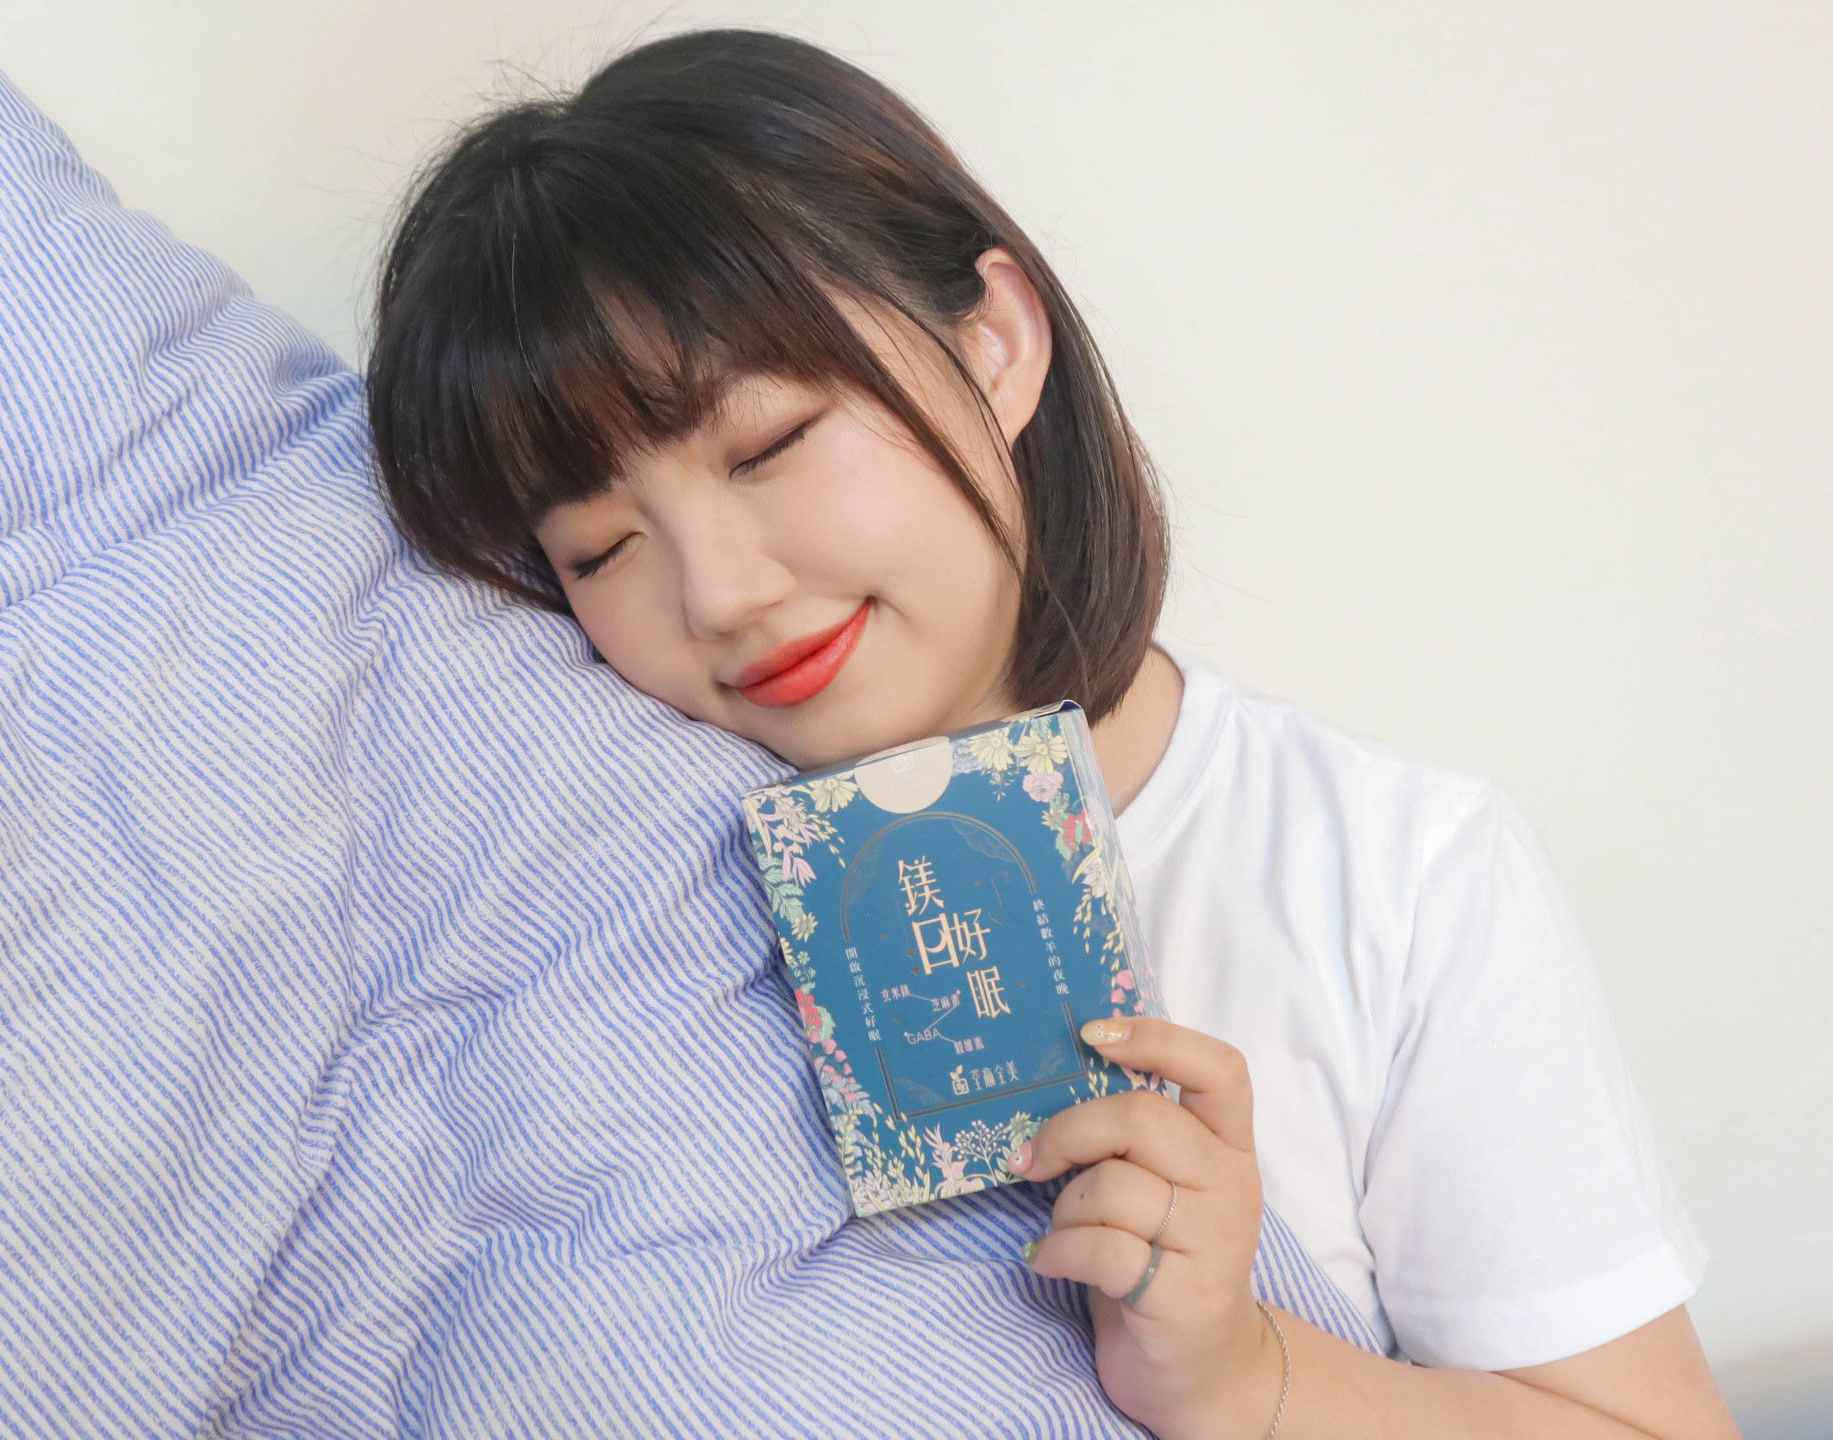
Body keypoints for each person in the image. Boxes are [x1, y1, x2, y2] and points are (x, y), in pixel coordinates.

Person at [366, 28, 1741, 1440]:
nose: (720, 593)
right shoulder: (622, 906)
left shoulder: (1394, 876)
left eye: (768, 444)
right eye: (599, 549)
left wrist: (1238, 1373)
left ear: (994, 346)